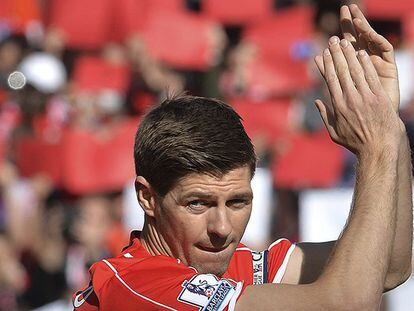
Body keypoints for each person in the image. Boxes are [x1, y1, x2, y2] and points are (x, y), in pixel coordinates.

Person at [73, 4, 412, 310]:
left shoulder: (226, 262)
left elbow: (388, 267)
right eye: (197, 204)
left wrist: (389, 125)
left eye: (237, 202)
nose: (221, 228)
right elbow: (347, 304)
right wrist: (376, 148)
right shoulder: (136, 287)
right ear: (147, 197)